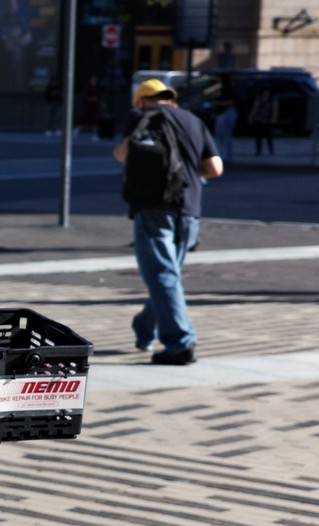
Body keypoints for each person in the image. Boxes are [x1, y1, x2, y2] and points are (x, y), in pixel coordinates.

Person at [113, 79, 223, 366]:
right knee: (167, 274)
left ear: (141, 101)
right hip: (190, 210)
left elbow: (121, 154)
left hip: (154, 206)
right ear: (170, 98)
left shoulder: (142, 117)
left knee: (162, 275)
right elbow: (215, 168)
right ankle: (145, 328)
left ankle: (179, 343)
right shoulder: (192, 120)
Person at [210, 77, 237, 163]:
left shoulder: (228, 90)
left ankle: (226, 156)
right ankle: (224, 154)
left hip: (226, 112)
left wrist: (217, 103)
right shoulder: (221, 89)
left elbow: (231, 102)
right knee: (220, 134)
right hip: (222, 113)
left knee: (225, 135)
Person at [249, 86, 278, 155]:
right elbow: (254, 108)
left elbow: (275, 110)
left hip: (268, 119)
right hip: (259, 119)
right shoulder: (259, 99)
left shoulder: (273, 99)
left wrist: (274, 118)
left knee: (269, 136)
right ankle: (259, 150)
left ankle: (271, 150)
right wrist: (251, 117)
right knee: (258, 136)